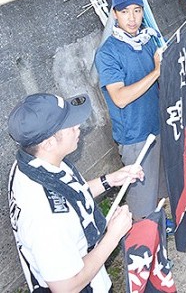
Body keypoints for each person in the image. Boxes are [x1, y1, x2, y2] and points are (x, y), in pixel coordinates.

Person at [7, 92, 143, 292]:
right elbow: (66, 287)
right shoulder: (44, 218)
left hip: (87, 268)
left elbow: (69, 196)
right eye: (69, 124)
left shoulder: (31, 164)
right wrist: (113, 236)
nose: (78, 126)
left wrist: (109, 181)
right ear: (48, 143)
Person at [95, 0, 173, 221]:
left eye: (137, 11)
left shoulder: (147, 41)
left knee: (160, 185)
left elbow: (163, 76)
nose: (132, 18)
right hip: (134, 135)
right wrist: (157, 71)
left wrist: (180, 57)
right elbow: (120, 98)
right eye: (125, 11)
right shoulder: (108, 53)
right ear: (114, 14)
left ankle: (159, 223)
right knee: (141, 197)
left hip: (156, 125)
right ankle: (144, 233)